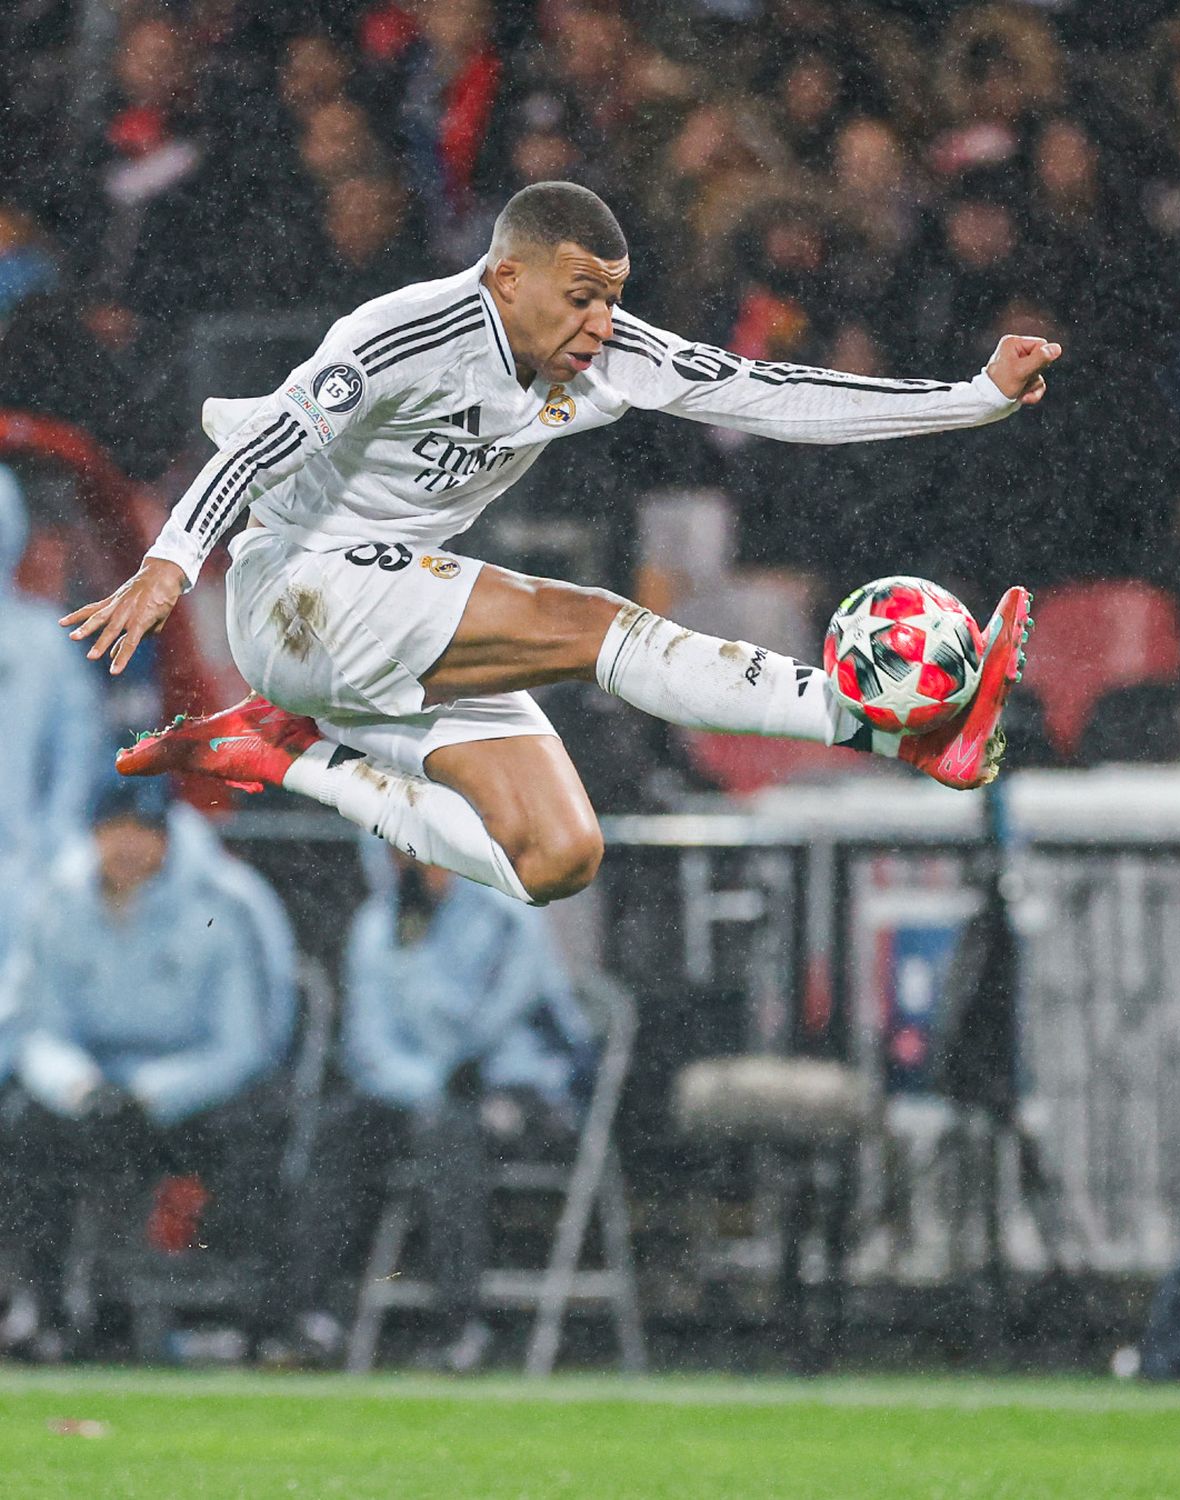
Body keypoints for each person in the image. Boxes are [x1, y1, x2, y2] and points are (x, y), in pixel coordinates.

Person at [62, 181, 1058, 907]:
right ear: (504, 277)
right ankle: (899, 729)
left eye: (613, 294)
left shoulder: (615, 354)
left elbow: (773, 393)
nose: (602, 320)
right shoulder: (404, 332)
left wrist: (971, 399)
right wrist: (170, 562)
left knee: (556, 858)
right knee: (589, 623)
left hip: (389, 625)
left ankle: (280, 753)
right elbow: (273, 433)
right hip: (298, 590)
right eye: (580, 294)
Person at [275, 848, 590, 1369]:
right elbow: (369, 1043)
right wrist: (427, 1085)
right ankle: (311, 1317)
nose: (420, 867)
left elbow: (504, 1013)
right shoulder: (377, 924)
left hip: (515, 1087)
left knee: (451, 1135)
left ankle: (461, 1327)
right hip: (418, 1092)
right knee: (336, 1129)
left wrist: (447, 1076)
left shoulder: (508, 913)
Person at [2, 781, 283, 1355]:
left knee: (256, 1130)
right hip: (92, 1092)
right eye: (115, 830)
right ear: (93, 835)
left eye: (143, 831)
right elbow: (38, 1027)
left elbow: (245, 1042)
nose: (128, 846)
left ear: (166, 839)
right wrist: (78, 1086)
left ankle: (248, 1314)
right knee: (24, 1126)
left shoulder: (224, 902)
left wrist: (153, 1092)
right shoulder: (55, 901)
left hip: (192, 1093)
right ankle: (44, 1309)